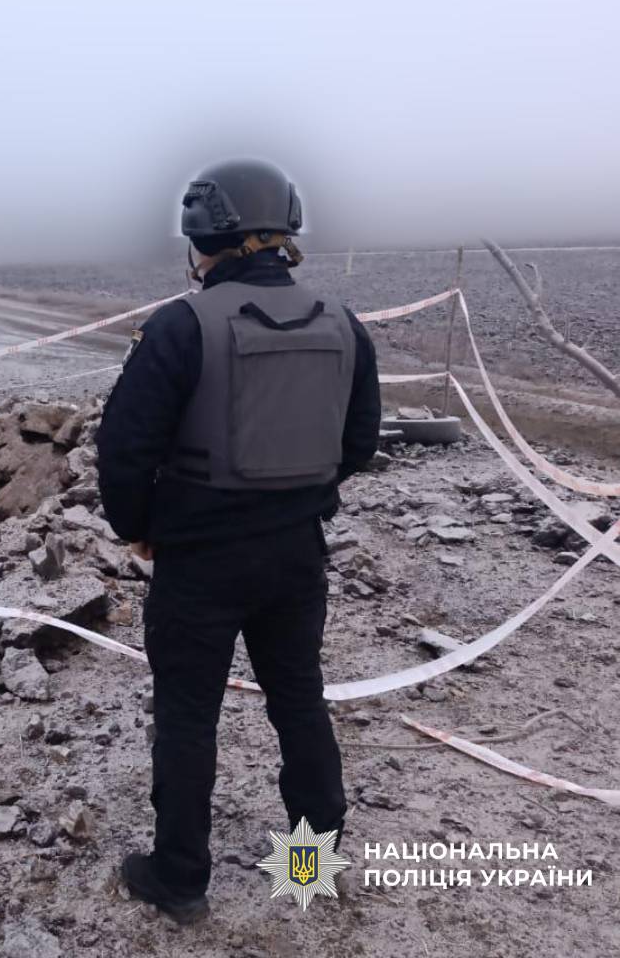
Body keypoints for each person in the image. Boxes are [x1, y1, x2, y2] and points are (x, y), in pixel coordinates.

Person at [95, 158, 380, 924]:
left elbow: (124, 450)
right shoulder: (344, 324)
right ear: (283, 233)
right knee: (300, 702)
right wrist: (300, 493)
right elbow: (358, 442)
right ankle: (311, 864)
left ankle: (180, 877)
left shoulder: (180, 327)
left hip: (199, 563)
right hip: (296, 556)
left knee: (188, 715)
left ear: (205, 239)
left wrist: (139, 529)